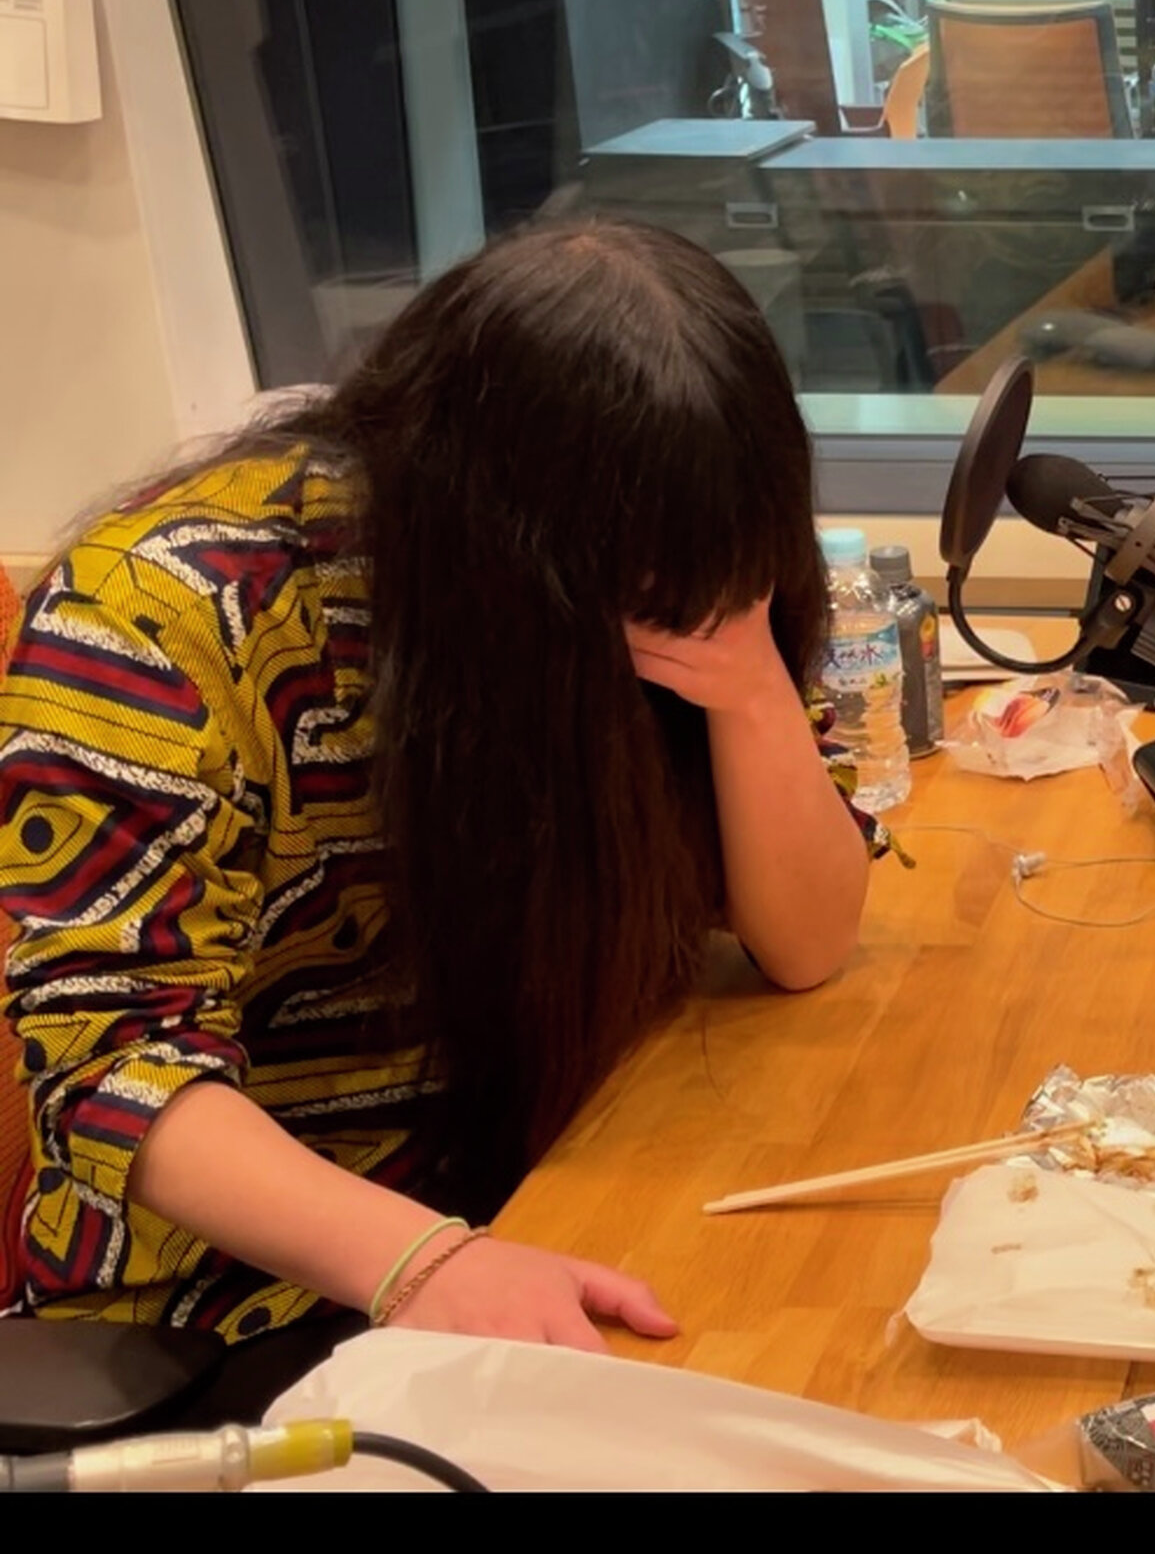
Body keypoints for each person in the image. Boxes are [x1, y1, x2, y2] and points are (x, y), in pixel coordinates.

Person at [0, 218, 886, 1422]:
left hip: (555, 1182)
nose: (659, 608)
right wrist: (424, 1260)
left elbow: (809, 942)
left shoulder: (669, 582)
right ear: (484, 523)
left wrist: (747, 681)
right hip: (235, 1307)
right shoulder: (164, 613)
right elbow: (112, 1065)